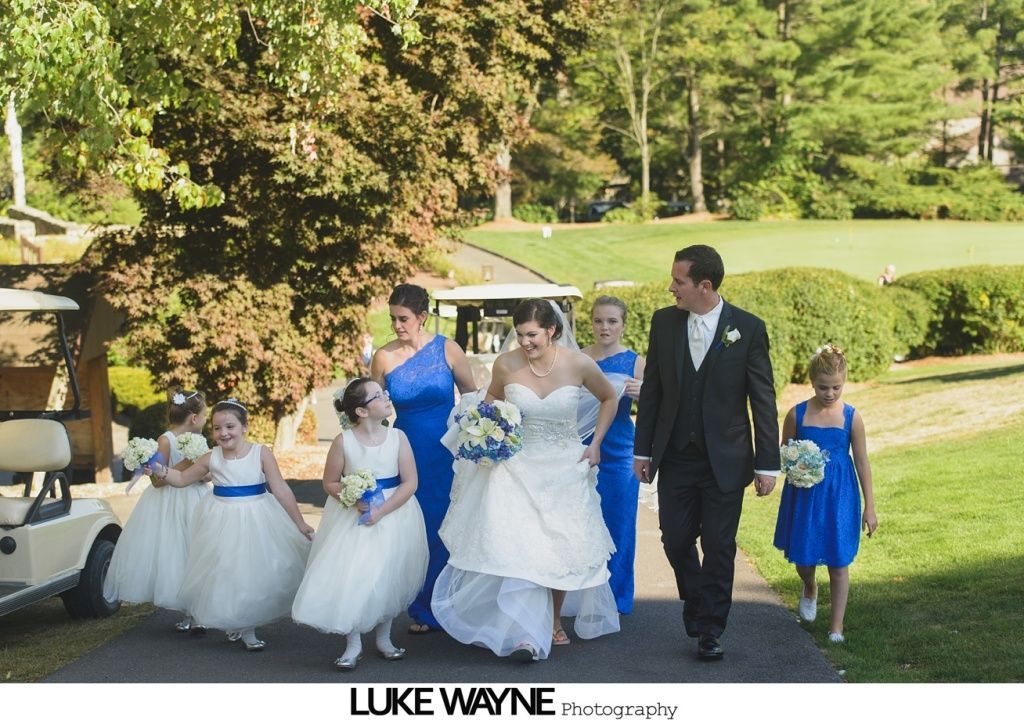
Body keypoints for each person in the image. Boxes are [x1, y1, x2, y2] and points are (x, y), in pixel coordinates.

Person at [432, 298, 621, 662]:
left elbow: (609, 398)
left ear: (551, 330)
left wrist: (595, 443)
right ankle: (523, 629)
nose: (525, 341)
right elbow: (488, 409)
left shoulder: (579, 363)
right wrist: (483, 435)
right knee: (521, 546)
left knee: (557, 547)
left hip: (565, 465)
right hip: (517, 465)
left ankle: (552, 619)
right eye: (519, 335)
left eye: (532, 334)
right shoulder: (506, 364)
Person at [633, 244, 780, 661]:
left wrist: (768, 462)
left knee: (719, 545)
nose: (671, 288)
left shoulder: (747, 329)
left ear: (705, 285)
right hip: (677, 456)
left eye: (678, 281)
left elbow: (762, 399)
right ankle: (696, 599)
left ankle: (711, 630)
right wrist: (642, 452)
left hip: (727, 460)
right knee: (675, 539)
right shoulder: (664, 323)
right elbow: (654, 390)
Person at [147, 398, 313, 651]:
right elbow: (181, 478)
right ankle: (236, 622)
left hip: (258, 517)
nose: (223, 433)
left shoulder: (261, 452)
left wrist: (299, 522)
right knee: (227, 570)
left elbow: (280, 488)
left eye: (230, 427)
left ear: (245, 426)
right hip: (221, 520)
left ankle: (247, 626)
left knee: (254, 571)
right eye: (216, 428)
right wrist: (159, 470)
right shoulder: (210, 457)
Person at [292, 378, 429, 671]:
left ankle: (384, 638)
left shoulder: (398, 438)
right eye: (378, 395)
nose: (387, 397)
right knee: (355, 575)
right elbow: (329, 481)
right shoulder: (345, 441)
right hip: (355, 517)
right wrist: (352, 497)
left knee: (390, 575)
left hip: (395, 515)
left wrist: (383, 511)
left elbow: (410, 482)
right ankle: (353, 642)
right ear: (362, 411)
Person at [371, 283, 475, 634]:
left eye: (403, 319)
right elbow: (374, 411)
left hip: (446, 452)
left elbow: (473, 399)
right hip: (404, 451)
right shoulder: (382, 357)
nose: (397, 326)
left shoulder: (448, 349)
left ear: (422, 317)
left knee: (443, 525)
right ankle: (421, 606)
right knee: (412, 528)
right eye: (393, 319)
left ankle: (448, 603)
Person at [773, 344, 877, 643]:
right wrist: (795, 467)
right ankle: (809, 586)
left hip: (840, 496)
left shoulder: (851, 417)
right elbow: (786, 453)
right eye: (823, 387)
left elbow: (862, 461)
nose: (829, 393)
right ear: (811, 382)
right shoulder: (797, 414)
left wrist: (870, 506)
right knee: (804, 560)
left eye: (836, 387)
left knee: (838, 560)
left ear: (844, 382)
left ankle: (836, 627)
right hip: (805, 495)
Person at [104, 390, 210, 632]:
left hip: (197, 497)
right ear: (193, 417)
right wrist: (185, 465)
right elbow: (157, 480)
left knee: (198, 550)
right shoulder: (166, 440)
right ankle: (187, 612)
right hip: (170, 502)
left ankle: (199, 610)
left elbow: (205, 471)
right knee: (176, 552)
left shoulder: (200, 440)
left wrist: (203, 474)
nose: (205, 420)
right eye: (204, 415)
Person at [581, 295, 646, 614]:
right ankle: (584, 593)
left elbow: (659, 413)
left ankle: (617, 596)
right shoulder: (578, 358)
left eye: (611, 321)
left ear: (623, 324)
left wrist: (644, 395)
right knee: (582, 522)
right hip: (582, 451)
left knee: (619, 524)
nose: (604, 327)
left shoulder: (636, 363)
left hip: (620, 452)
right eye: (598, 320)